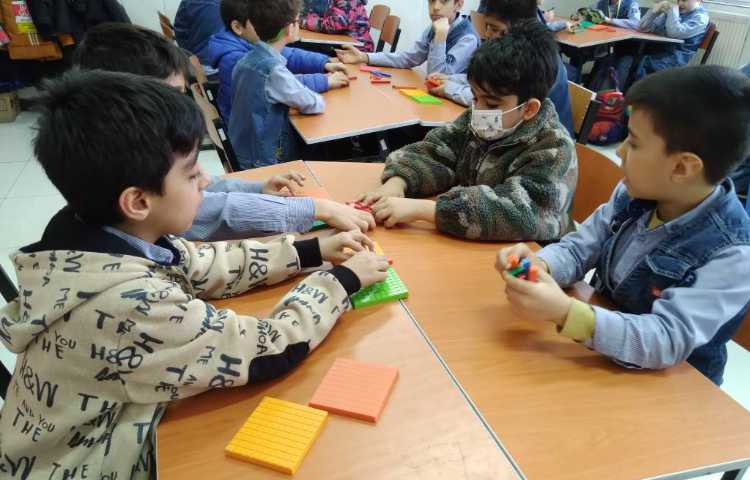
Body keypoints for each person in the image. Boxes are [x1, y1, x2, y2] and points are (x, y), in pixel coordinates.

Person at [0, 69, 390, 478]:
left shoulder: (96, 233)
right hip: (90, 462)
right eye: (190, 173)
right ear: (137, 201)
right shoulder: (129, 305)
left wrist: (310, 250)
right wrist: (341, 281)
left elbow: (204, 264)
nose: (206, 181)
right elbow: (266, 348)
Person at [497, 65, 750, 386]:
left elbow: (665, 340)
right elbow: (579, 248)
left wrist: (565, 313)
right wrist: (539, 265)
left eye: (634, 142)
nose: (619, 151)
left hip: (673, 388)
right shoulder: (637, 192)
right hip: (603, 355)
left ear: (682, 167)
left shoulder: (733, 254)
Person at [73, 22, 374, 241]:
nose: (180, 106)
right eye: (172, 96)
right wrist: (312, 209)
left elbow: (203, 189)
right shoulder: (131, 159)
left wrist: (258, 189)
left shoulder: (121, 139)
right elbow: (213, 209)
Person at [357, 20, 577, 242]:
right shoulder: (482, 117)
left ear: (528, 109)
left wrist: (428, 210)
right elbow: (437, 149)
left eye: (491, 104)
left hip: (526, 254)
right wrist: (399, 181)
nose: (478, 109)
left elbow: (519, 214)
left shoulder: (554, 149)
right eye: (474, 96)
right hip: (468, 242)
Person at [426, 0, 575, 138]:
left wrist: (450, 89)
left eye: (495, 29)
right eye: (487, 27)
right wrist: (452, 79)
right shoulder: (512, 54)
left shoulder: (531, 61)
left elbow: (497, 101)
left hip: (525, 137)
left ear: (519, 28)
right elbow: (492, 85)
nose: (487, 34)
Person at [335, 0, 480, 75]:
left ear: (458, 5)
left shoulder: (468, 39)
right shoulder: (434, 27)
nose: (435, 7)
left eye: (443, 1)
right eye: (431, 1)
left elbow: (436, 75)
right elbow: (409, 58)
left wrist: (440, 37)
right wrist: (365, 57)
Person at [300, 0, 374, 52]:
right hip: (341, 44)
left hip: (357, 50)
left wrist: (304, 22)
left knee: (302, 49)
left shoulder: (348, 2)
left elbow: (332, 25)